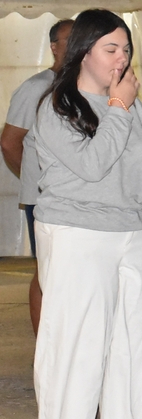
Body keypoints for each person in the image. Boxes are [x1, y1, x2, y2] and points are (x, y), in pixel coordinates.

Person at [30, 8, 142, 419]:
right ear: (83, 52)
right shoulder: (57, 105)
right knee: (73, 353)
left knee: (132, 352)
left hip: (136, 232)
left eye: (126, 50)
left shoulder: (130, 105)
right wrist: (118, 108)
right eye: (111, 49)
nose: (121, 59)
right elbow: (91, 165)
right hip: (77, 232)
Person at [1, 17, 72, 336]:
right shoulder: (35, 88)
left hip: (76, 198)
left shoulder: (87, 86)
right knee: (47, 270)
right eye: (69, 39)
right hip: (44, 200)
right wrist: (36, 181)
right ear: (53, 47)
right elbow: (9, 142)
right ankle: (45, 343)